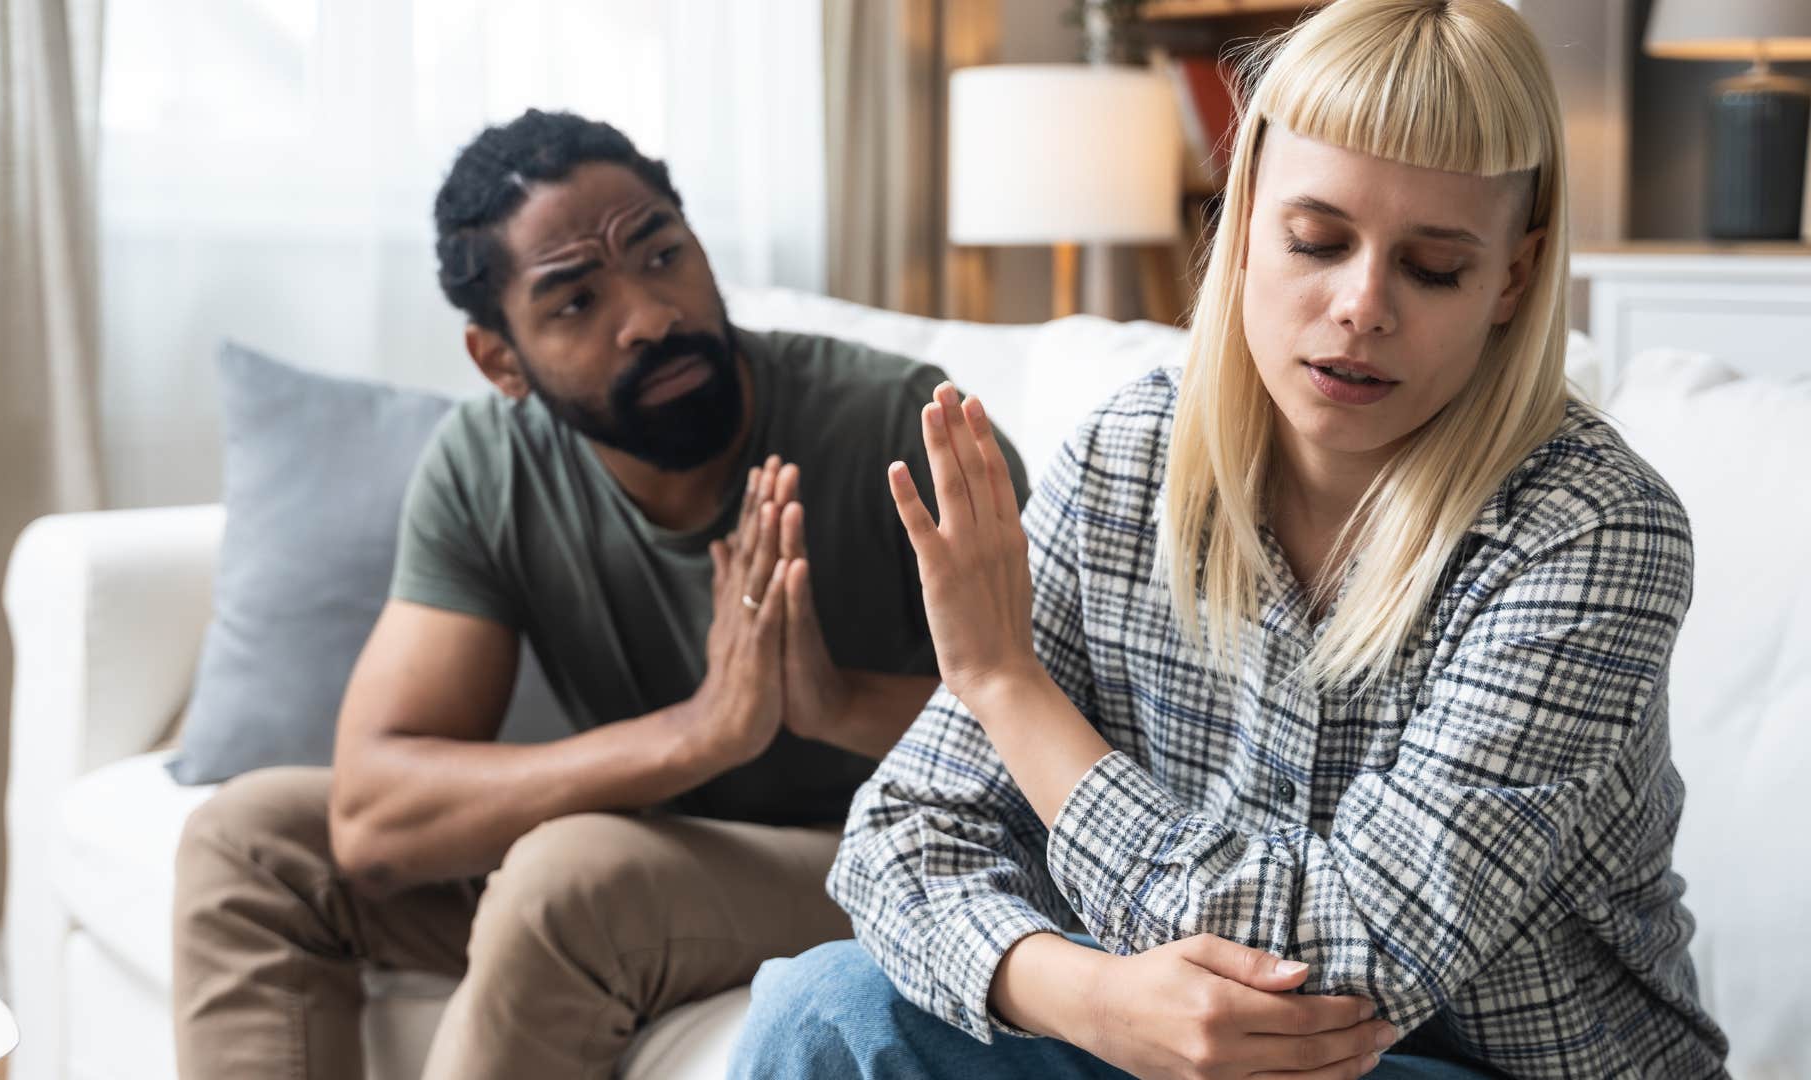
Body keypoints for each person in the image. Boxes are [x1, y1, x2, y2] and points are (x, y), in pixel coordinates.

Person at [728, 1, 1732, 1077]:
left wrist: (1011, 690)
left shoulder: (1592, 533)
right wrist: (1088, 996)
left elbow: (1348, 960)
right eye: (1317, 240)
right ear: (1247, 214)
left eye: (1433, 267)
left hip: (1494, 1070)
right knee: (825, 1008)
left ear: (1514, 280)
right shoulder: (1129, 457)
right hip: (1177, 1043)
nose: (1360, 306)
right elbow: (902, 839)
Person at [169, 109, 1027, 1079]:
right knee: (252, 843)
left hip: (886, 852)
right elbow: (375, 817)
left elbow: (1089, 731)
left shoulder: (901, 426)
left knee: (568, 877)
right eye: (576, 303)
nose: (652, 315)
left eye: (663, 255)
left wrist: (832, 704)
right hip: (665, 847)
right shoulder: (491, 467)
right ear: (500, 360)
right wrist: (700, 733)